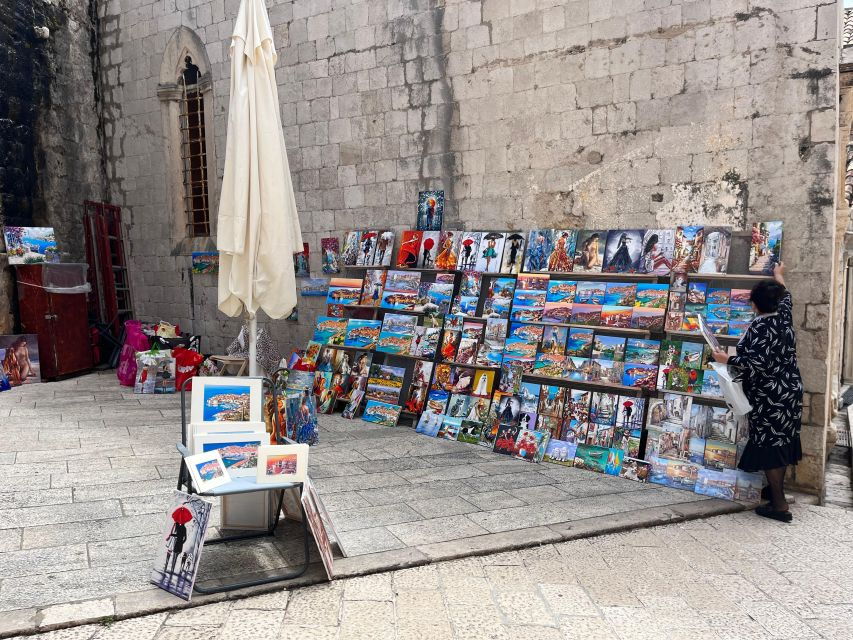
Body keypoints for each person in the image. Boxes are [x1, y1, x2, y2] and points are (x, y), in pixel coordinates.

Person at [711, 263, 802, 523]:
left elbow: (757, 364)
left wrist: (726, 359)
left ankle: (779, 505)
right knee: (781, 441)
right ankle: (774, 491)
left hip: (769, 396)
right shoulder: (783, 315)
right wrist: (778, 275)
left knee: (770, 446)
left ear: (755, 305)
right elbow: (786, 295)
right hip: (790, 390)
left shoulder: (761, 327)